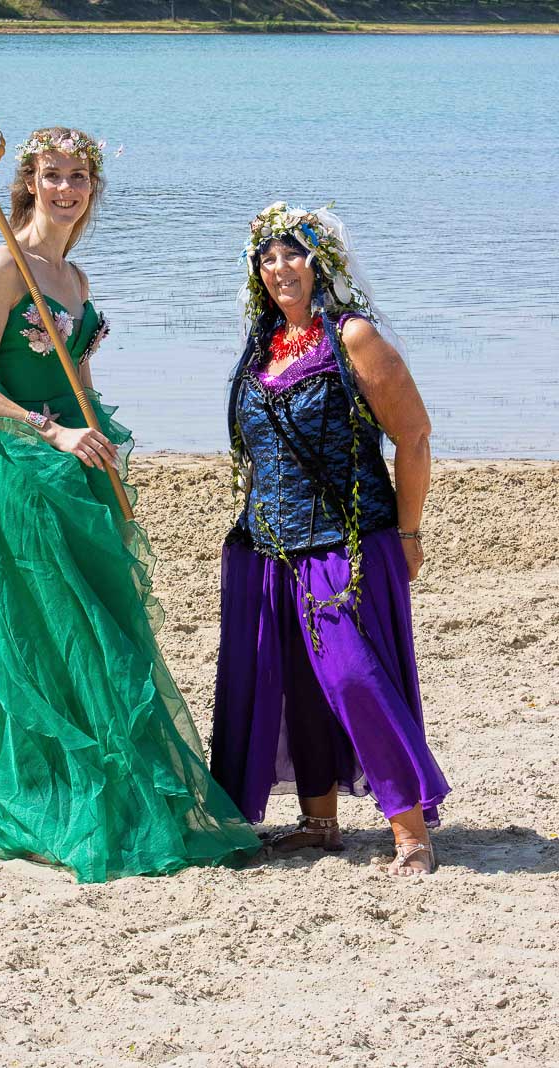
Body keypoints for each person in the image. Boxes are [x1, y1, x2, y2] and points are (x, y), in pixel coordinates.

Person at [0, 126, 259, 883]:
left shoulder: (73, 277)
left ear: (92, 187)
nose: (66, 189)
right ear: (28, 182)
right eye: (52, 175)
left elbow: (78, 376)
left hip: (82, 464)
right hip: (22, 468)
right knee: (46, 624)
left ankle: (117, 783)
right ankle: (45, 790)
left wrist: (98, 440)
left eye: (79, 176)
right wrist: (51, 430)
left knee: (103, 621)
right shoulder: (2, 267)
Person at [210, 202, 450, 876]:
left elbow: (414, 436)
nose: (280, 267)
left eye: (293, 253)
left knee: (352, 677)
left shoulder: (353, 336)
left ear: (323, 263)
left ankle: (410, 832)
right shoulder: (263, 345)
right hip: (267, 547)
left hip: (346, 542)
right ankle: (319, 823)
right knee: (292, 682)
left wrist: (408, 530)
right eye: (267, 257)